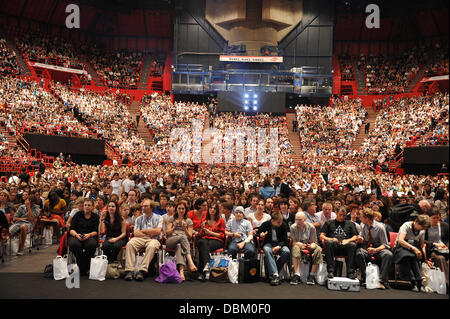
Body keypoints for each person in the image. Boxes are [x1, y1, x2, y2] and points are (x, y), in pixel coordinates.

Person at [123, 199, 163, 281]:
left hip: (153, 240)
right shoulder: (139, 219)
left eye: (145, 206)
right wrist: (151, 232)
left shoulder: (159, 218)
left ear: (151, 208)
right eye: (142, 206)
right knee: (130, 243)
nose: (143, 208)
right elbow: (136, 233)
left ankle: (142, 270)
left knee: (152, 246)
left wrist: (144, 231)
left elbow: (158, 231)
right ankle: (129, 270)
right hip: (141, 239)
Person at [355, 208, 393, 289]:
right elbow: (364, 238)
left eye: (361, 217)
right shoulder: (362, 225)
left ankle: (382, 281)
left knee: (388, 254)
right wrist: (361, 239)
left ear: (367, 218)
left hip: (378, 248)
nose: (360, 218)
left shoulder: (380, 227)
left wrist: (375, 249)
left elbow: (385, 244)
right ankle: (367, 278)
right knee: (359, 253)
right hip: (367, 247)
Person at [393, 214, 432, 292]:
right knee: (408, 256)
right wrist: (413, 248)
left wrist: (424, 258)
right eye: (422, 227)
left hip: (414, 247)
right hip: (401, 247)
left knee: (415, 256)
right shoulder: (406, 225)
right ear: (416, 222)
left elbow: (421, 245)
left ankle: (419, 281)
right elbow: (401, 240)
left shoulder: (422, 230)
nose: (423, 229)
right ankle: (413, 282)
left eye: (424, 228)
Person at [320, 208, 359, 279]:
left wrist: (348, 240)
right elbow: (321, 236)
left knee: (352, 245)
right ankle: (330, 271)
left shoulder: (350, 223)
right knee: (328, 243)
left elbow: (356, 236)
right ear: (336, 213)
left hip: (345, 246)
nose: (342, 217)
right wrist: (331, 239)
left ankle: (350, 272)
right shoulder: (329, 222)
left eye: (344, 215)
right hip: (333, 246)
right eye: (340, 215)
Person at [165, 201, 197, 280]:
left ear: (185, 210)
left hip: (183, 242)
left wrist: (185, 229)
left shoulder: (188, 221)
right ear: (176, 209)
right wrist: (174, 227)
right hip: (171, 239)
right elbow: (167, 233)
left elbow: (189, 236)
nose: (181, 210)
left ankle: (181, 272)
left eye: (183, 208)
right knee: (182, 237)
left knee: (179, 246)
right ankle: (190, 262)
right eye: (179, 208)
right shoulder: (171, 219)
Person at [256, 212, 290, 286]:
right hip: (268, 243)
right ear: (272, 220)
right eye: (278, 222)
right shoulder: (266, 224)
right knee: (267, 250)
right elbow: (257, 234)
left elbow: (285, 240)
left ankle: (273, 271)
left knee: (286, 251)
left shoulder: (283, 225)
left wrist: (279, 246)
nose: (280, 224)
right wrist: (260, 234)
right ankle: (275, 274)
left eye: (281, 222)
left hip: (280, 243)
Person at [289, 212, 322, 285]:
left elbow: (314, 241)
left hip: (309, 245)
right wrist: (299, 244)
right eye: (296, 219)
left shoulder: (311, 227)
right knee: (295, 248)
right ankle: (297, 274)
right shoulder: (293, 227)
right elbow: (293, 242)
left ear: (305, 219)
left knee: (318, 249)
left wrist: (312, 245)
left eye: (300, 220)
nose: (297, 221)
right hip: (299, 245)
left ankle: (312, 275)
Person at [68, 199, 99, 276]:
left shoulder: (95, 217)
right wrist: (76, 235)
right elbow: (71, 229)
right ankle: (83, 267)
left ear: (92, 207)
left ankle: (83, 267)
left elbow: (96, 231)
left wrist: (89, 235)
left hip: (90, 236)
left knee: (91, 245)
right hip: (77, 235)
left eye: (89, 205)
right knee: (74, 244)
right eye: (85, 205)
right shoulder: (77, 214)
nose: (87, 207)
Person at [196, 202, 225, 281]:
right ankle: (207, 264)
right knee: (203, 243)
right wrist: (202, 229)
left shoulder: (220, 220)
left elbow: (222, 235)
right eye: (211, 208)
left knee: (204, 247)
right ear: (208, 209)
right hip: (204, 239)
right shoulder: (204, 219)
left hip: (216, 240)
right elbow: (199, 234)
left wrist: (211, 233)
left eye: (214, 208)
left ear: (217, 210)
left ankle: (201, 273)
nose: (212, 210)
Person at [424, 207, 449, 287]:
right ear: (429, 218)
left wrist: (446, 246)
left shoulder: (444, 225)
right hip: (431, 250)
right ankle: (446, 283)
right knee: (440, 258)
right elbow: (422, 240)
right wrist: (434, 244)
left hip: (444, 249)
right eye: (433, 218)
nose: (436, 220)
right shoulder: (425, 226)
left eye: (438, 217)